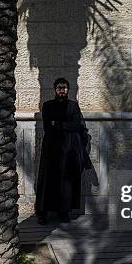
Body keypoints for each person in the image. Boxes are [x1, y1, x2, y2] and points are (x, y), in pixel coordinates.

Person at [35, 78, 93, 225]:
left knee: (66, 180)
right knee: (48, 179)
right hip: (51, 149)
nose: (62, 90)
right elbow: (48, 127)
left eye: (65, 88)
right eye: (60, 88)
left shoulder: (73, 106)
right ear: (55, 89)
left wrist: (59, 124)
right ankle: (43, 213)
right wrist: (64, 125)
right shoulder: (48, 106)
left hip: (68, 149)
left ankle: (64, 212)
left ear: (68, 89)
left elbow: (76, 126)